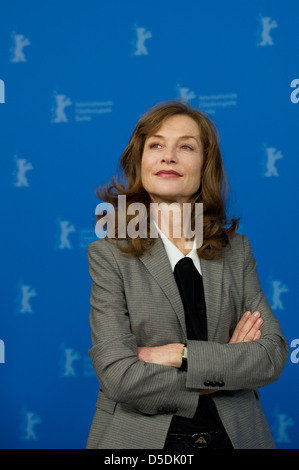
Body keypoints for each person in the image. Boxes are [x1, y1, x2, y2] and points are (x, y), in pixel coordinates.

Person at [85, 100, 288, 449]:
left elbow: (269, 356)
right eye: (156, 145)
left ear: (205, 166)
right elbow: (120, 377)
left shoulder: (237, 251)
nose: (168, 156)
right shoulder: (108, 255)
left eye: (186, 147)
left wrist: (177, 354)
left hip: (236, 436)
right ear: (141, 162)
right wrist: (223, 369)